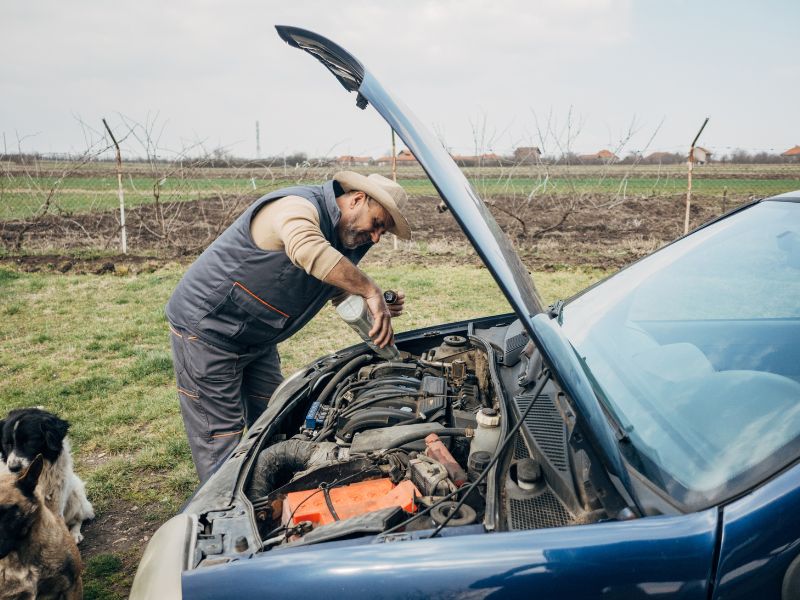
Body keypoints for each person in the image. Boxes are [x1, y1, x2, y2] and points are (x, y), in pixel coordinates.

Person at [165, 171, 411, 483]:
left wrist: (372, 303)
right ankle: (220, 516)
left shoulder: (344, 234)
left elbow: (334, 288)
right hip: (208, 332)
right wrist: (369, 289)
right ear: (357, 199)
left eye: (383, 233)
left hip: (256, 338)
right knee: (220, 439)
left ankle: (269, 492)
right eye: (377, 223)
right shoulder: (296, 207)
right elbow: (307, 251)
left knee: (275, 418)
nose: (375, 237)